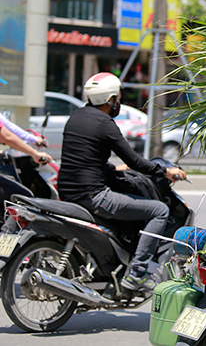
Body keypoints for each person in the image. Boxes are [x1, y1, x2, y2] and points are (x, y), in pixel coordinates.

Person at [57, 72, 187, 292]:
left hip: (68, 191)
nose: (119, 101)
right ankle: (137, 273)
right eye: (117, 97)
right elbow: (135, 161)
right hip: (94, 196)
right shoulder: (105, 123)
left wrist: (113, 169)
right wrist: (165, 171)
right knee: (159, 210)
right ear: (110, 100)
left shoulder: (76, 116)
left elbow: (84, 157)